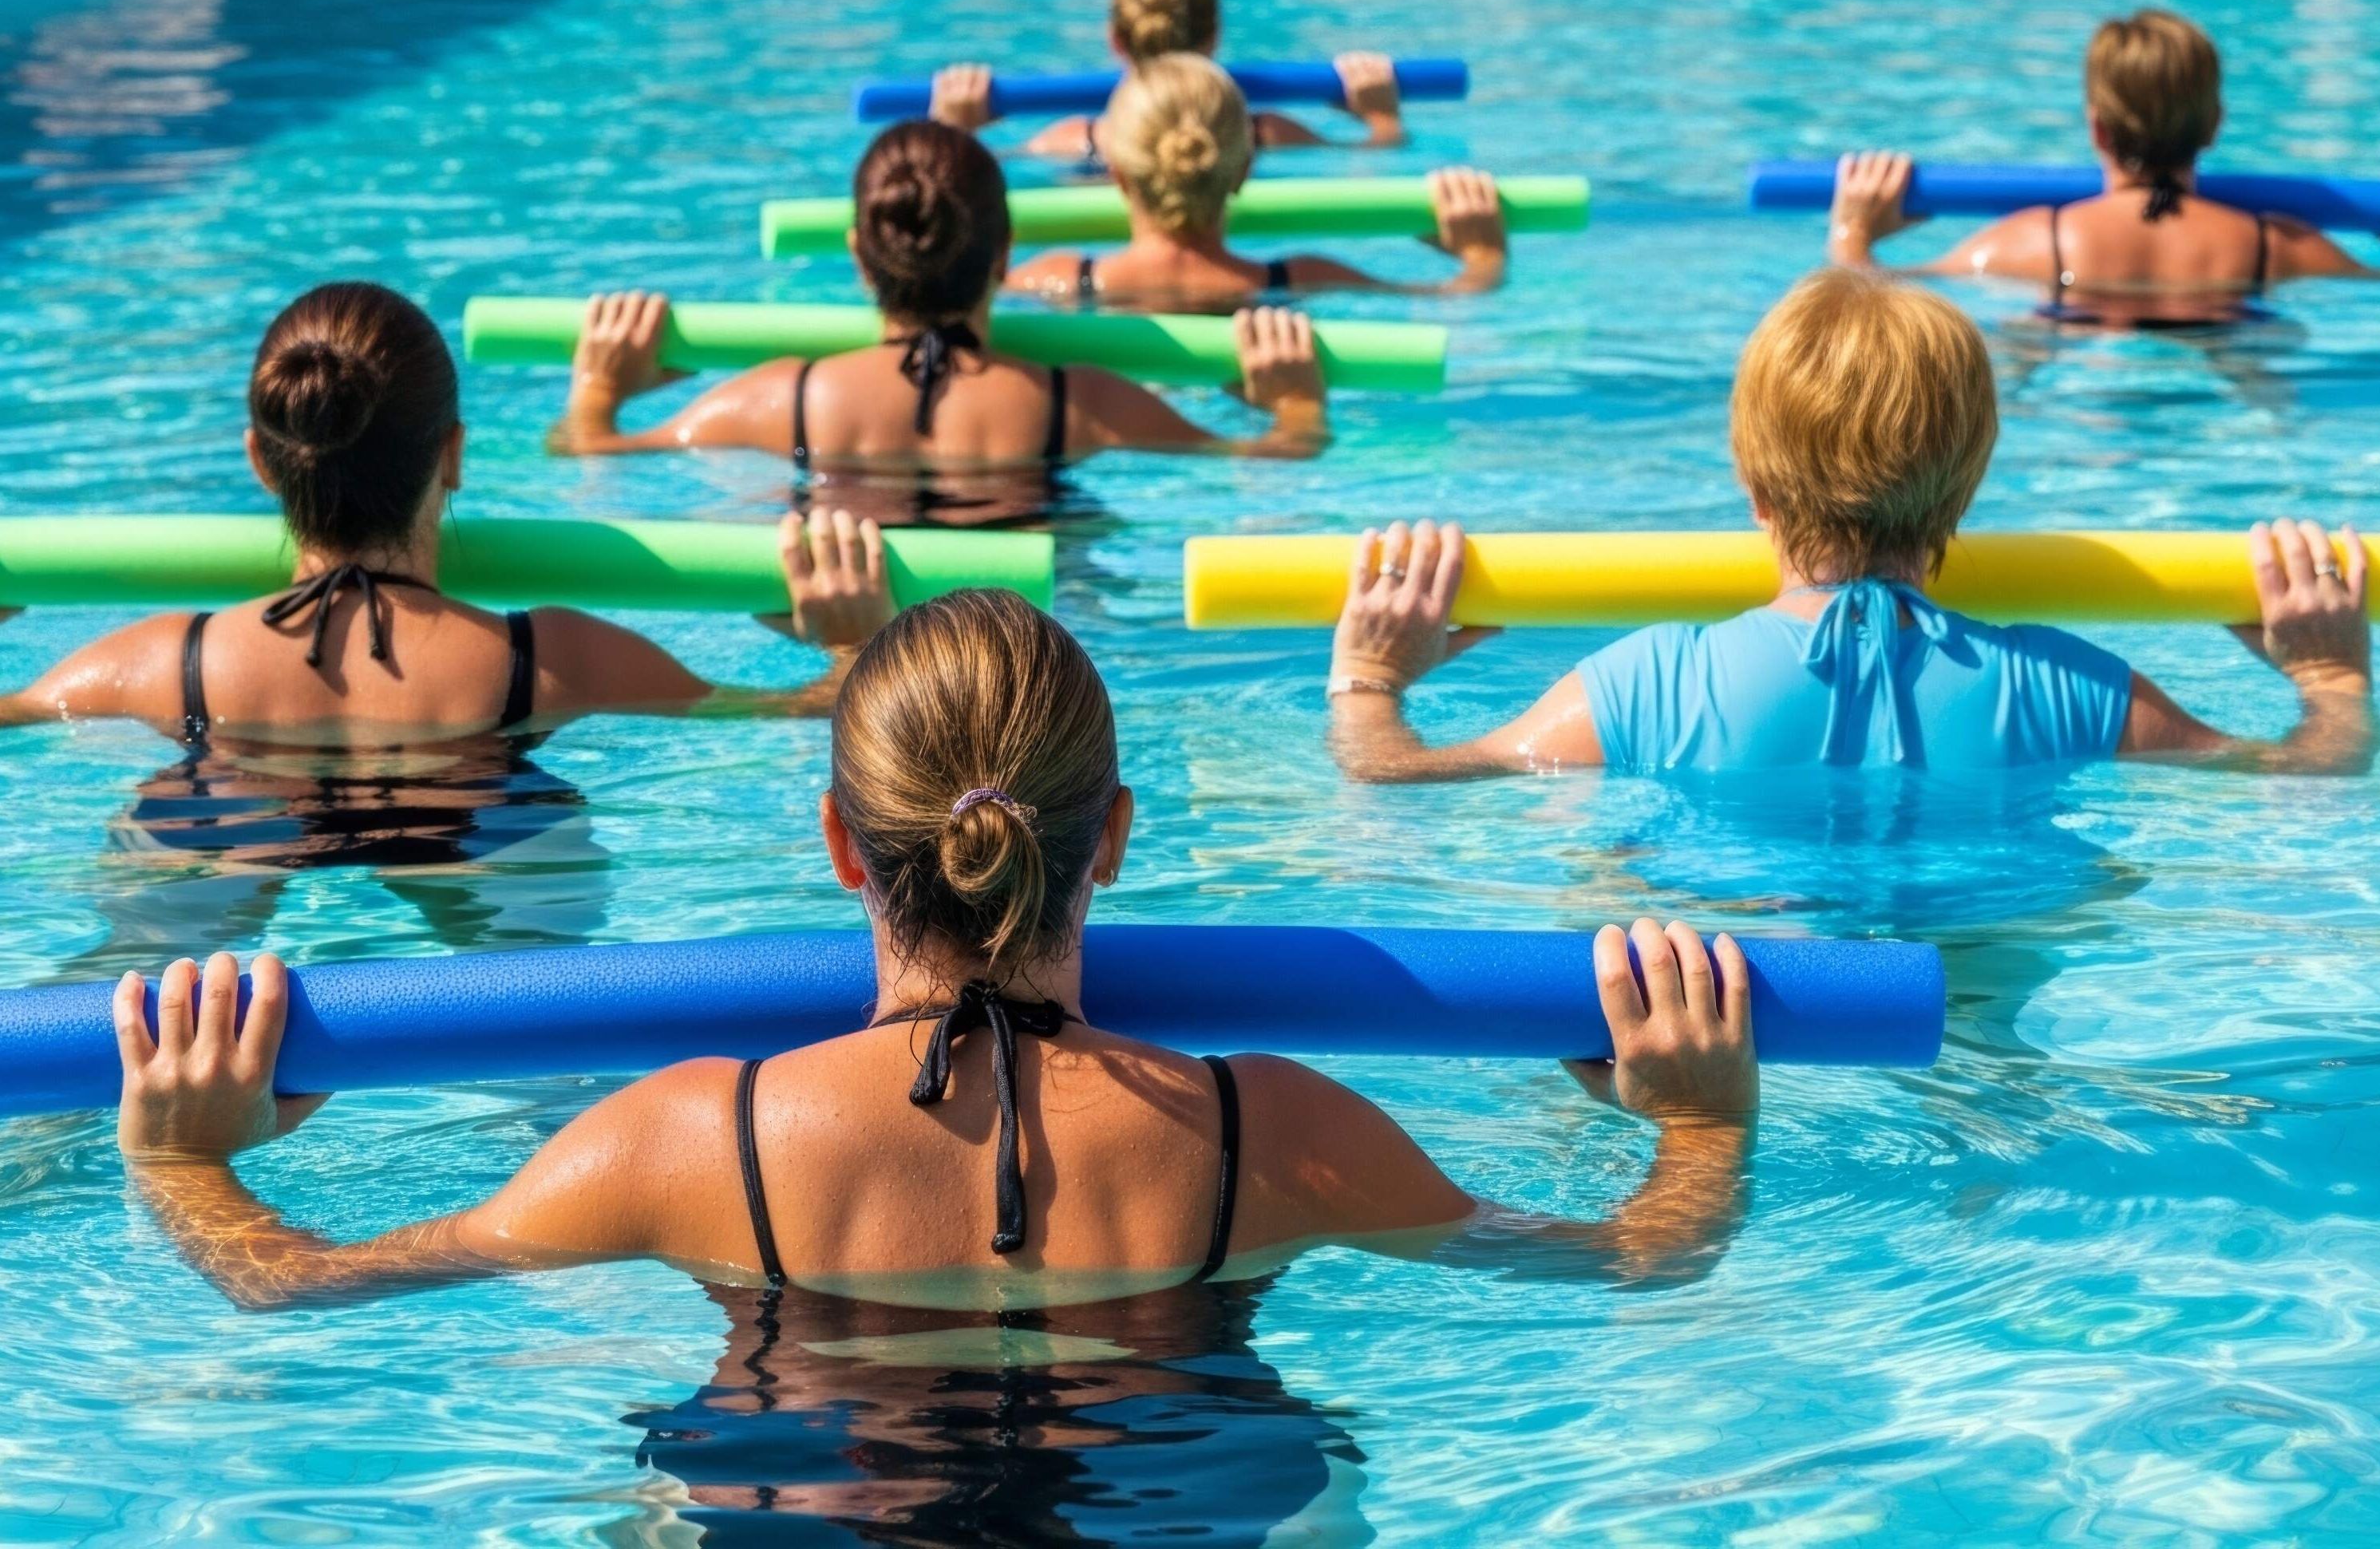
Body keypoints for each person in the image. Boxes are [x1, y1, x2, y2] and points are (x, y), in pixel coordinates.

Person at [110, 590, 1761, 1319]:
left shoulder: (685, 1141)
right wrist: (1700, 1125)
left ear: (841, 847)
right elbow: (1635, 1261)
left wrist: (183, 1155)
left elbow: (296, 1284)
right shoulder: (1282, 1132)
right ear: (1109, 836)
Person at [0, 283, 895, 951]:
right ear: (453, 455)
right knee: (557, 1056)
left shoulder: (164, 660)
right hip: (485, 810)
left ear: (263, 465)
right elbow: (806, 713)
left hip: (219, 800)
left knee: (109, 990)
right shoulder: (552, 658)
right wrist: (856, 643)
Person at [1321, 269, 2378, 780]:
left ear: (1753, 483)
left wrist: (1370, 681)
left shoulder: (1644, 687)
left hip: (1736, 1020)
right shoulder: (2071, 691)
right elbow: (2308, 777)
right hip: (1971, 1031)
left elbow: (1392, 782)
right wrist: (2331, 684)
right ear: (1968, 487)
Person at [552, 122, 1331, 478]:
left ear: (861, 257)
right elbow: (1269, 455)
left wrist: (596, 392)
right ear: (1003, 256)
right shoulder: (1076, 401)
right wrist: (1296, 403)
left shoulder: (780, 397)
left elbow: (593, 453)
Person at [1828, 10, 2380, 328]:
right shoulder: (2277, 244)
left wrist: (1853, 237)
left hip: (2086, 377)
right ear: (2213, 125)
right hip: (2232, 338)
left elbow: (1875, 299)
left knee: (2023, 347)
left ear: (2097, 128)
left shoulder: (2035, 241)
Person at [1005, 53, 1508, 311]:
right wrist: (1484, 256)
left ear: (1117, 176)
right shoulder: (1305, 278)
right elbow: (1451, 298)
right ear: (1244, 168)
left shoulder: (1053, 278)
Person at [930, 0, 1407, 163]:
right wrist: (1382, 120)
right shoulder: (1263, 134)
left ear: (1116, 40)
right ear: (1215, 38)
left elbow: (965, 184)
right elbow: (1371, 155)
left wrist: (952, 135)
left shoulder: (1075, 141)